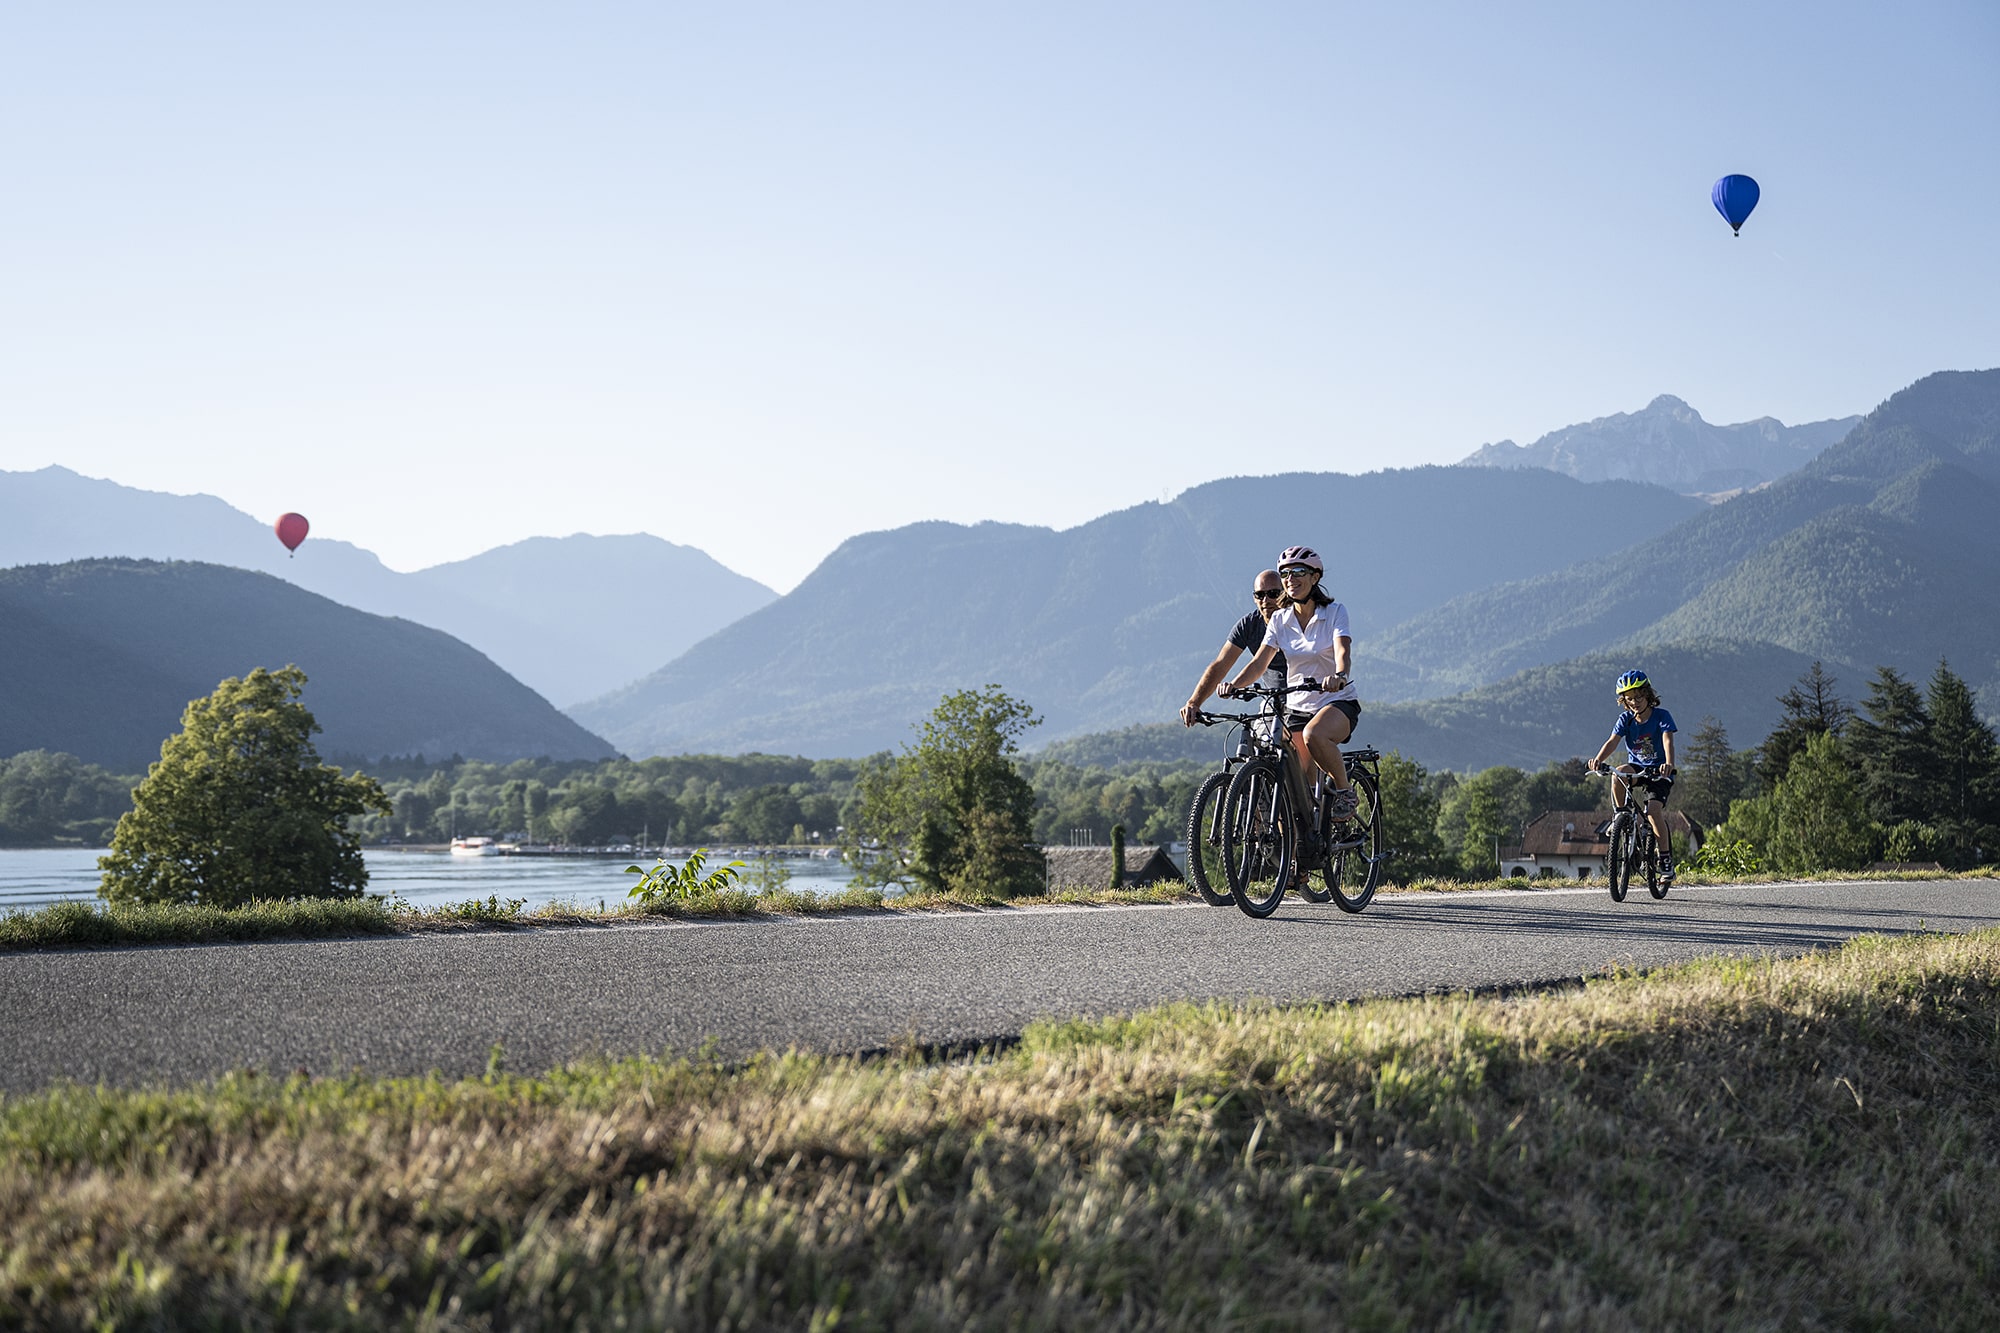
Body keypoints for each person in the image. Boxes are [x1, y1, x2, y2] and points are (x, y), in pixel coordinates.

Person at [1220, 546, 1360, 817]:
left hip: (1336, 701)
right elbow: (1259, 663)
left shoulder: (1334, 612)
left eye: (1299, 572)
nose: (1290, 579)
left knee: (1313, 735)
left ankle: (1345, 792)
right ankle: (1298, 854)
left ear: (1315, 577)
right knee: (1296, 794)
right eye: (1285, 573)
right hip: (1297, 708)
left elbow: (1343, 650)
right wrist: (1234, 684)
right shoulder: (1280, 620)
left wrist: (1340, 676)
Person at [1586, 669, 1679, 884]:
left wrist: (1668, 764)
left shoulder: (1662, 716)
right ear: (1624, 701)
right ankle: (1621, 815)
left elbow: (1668, 741)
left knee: (1654, 812)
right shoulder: (1626, 719)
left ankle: (1665, 861)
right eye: (1629, 699)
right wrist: (1598, 760)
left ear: (1648, 695)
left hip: (1658, 772)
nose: (1635, 702)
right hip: (1637, 768)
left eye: (1638, 697)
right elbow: (1612, 741)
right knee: (1618, 773)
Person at [1180, 570, 1288, 731]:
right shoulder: (1249, 625)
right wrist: (1194, 702)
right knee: (1261, 740)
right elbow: (1221, 664)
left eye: (1273, 594)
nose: (1266, 600)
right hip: (1273, 703)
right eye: (1259, 595)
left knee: (1307, 743)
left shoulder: (1299, 621)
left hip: (1308, 699)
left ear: (1285, 594)